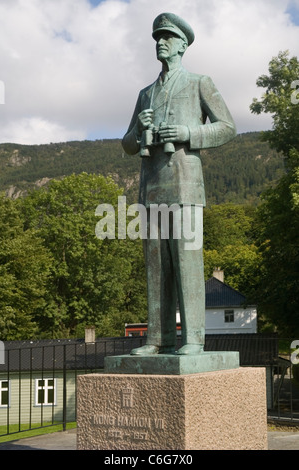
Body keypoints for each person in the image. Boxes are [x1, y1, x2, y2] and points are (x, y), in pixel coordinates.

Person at [122, 13, 236, 355]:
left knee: (187, 263)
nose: (160, 42)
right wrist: (138, 130)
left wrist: (188, 133)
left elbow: (227, 127)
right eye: (158, 37)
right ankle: (158, 339)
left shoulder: (199, 82)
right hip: (152, 189)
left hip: (186, 188)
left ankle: (193, 339)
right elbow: (127, 144)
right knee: (156, 267)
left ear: (183, 45)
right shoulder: (145, 94)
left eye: (168, 37)